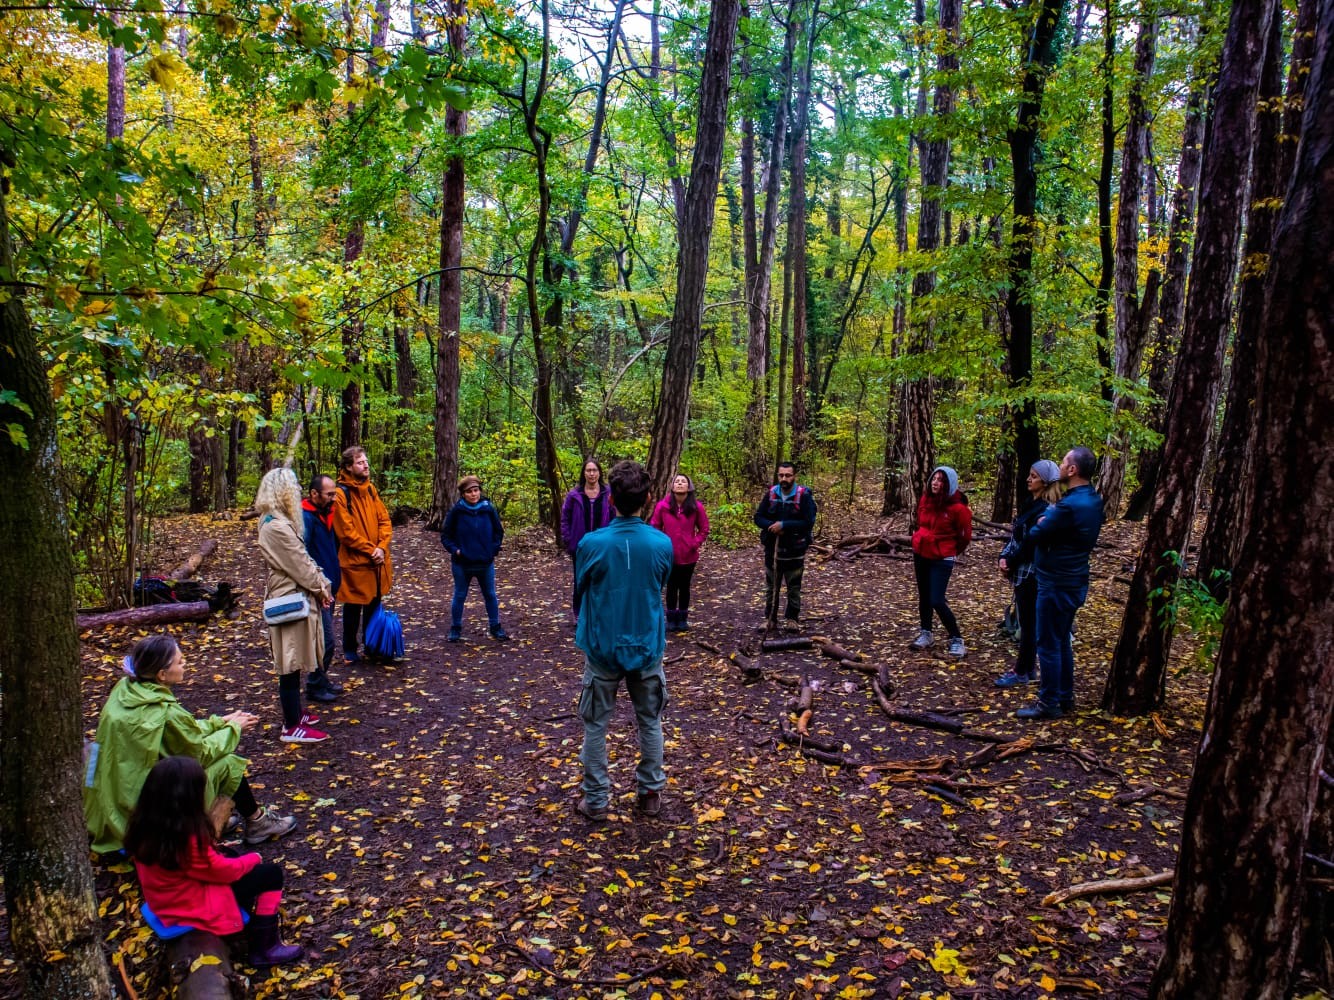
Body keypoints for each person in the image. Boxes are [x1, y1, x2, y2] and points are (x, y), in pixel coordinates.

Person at [83, 635, 296, 854]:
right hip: (144, 808)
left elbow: (183, 733)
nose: (185, 665)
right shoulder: (164, 711)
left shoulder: (126, 690)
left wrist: (219, 722)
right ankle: (258, 822)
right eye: (180, 662)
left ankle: (209, 821)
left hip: (115, 800)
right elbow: (200, 754)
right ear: (162, 674)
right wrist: (235, 729)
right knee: (228, 763)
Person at [126, 756, 303, 967]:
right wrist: (253, 858)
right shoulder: (185, 836)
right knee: (270, 874)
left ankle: (245, 928)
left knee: (232, 855)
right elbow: (221, 871)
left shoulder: (145, 823)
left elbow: (203, 864)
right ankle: (265, 947)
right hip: (186, 903)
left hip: (165, 896)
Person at [573, 460, 675, 822]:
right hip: (645, 646)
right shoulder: (661, 544)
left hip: (603, 646)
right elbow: (657, 584)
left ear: (611, 498)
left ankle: (597, 800)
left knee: (596, 723)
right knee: (649, 720)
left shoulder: (591, 544)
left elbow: (579, 590)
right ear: (648, 498)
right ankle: (649, 793)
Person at [1016, 447, 1106, 720]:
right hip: (1074, 578)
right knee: (1061, 640)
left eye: (1064, 461)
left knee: (1048, 643)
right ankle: (1064, 697)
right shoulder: (1092, 499)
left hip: (1056, 582)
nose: (1061, 464)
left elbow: (1035, 534)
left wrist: (1044, 522)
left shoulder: (1068, 505)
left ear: (1072, 470)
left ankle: (1049, 702)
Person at [256, 467, 334, 744]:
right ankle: (291, 726)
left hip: (295, 592)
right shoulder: (276, 526)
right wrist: (323, 587)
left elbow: (302, 560)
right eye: (295, 486)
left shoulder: (277, 521)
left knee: (295, 656)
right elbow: (300, 564)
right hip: (290, 597)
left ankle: (295, 714)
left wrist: (320, 584)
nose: (299, 490)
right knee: (289, 661)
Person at [994, 460, 1063, 687]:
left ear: (1044, 481)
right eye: (1029, 475)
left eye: (1033, 476)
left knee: (1029, 623)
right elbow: (1017, 536)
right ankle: (1028, 668)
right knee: (1026, 620)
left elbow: (1033, 543)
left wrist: (1012, 561)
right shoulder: (1030, 504)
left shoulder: (1046, 510)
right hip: (1020, 568)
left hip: (1032, 572)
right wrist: (1003, 557)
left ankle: (1021, 670)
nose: (1028, 479)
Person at [332, 445, 393, 663]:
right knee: (353, 606)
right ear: (348, 467)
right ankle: (350, 648)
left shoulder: (370, 489)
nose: (366, 465)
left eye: (366, 461)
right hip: (355, 561)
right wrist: (371, 550)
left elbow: (384, 520)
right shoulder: (340, 494)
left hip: (377, 560)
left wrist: (381, 547)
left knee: (374, 604)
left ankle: (372, 646)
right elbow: (346, 532)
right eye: (360, 462)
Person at [909, 466, 974, 659]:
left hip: (942, 557)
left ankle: (956, 639)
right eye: (934, 479)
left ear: (949, 484)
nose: (936, 483)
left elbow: (964, 537)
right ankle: (926, 633)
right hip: (921, 553)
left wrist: (950, 550)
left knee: (937, 599)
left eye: (941, 480)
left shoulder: (958, 508)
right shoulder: (925, 500)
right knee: (924, 596)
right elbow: (921, 523)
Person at [440, 475, 510, 643]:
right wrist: (456, 551)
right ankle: (455, 628)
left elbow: (498, 531)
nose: (473, 494)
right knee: (459, 595)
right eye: (469, 492)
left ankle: (495, 627)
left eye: (476, 490)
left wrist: (492, 550)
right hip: (462, 563)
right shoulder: (457, 511)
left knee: (490, 595)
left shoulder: (488, 508)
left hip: (485, 562)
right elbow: (446, 536)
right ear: (463, 494)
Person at [753, 462, 818, 632]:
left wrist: (785, 525)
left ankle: (792, 618)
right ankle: (770, 619)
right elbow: (758, 517)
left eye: (788, 475)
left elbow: (808, 521)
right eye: (781, 475)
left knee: (794, 587)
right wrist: (772, 526)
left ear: (794, 476)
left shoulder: (804, 496)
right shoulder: (771, 494)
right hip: (772, 549)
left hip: (795, 549)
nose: (784, 479)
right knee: (771, 587)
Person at [302, 474, 344, 703]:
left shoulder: (328, 512)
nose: (333, 497)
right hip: (318, 590)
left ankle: (321, 679)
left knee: (324, 639)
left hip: (330, 585)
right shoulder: (305, 517)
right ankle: (314, 685)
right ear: (314, 494)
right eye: (329, 494)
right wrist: (317, 586)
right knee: (325, 641)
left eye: (334, 493)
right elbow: (303, 556)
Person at [649, 473, 710, 632]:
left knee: (684, 586)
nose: (680, 483)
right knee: (671, 586)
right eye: (677, 481)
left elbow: (704, 529)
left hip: (689, 555)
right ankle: (671, 619)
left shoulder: (696, 506)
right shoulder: (663, 506)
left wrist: (694, 543)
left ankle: (682, 618)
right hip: (669, 555)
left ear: (689, 487)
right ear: (672, 486)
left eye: (684, 481)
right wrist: (662, 544)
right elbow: (655, 526)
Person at [560, 458, 613, 625]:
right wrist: (569, 540)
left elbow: (614, 515)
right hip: (580, 546)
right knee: (580, 580)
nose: (591, 473)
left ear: (599, 473)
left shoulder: (608, 493)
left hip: (603, 545)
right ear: (584, 473)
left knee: (602, 579)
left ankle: (600, 614)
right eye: (588, 470)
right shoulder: (574, 495)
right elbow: (565, 519)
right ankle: (579, 614)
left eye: (594, 470)